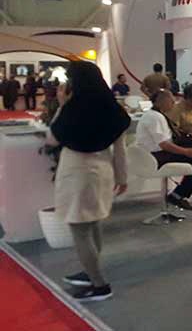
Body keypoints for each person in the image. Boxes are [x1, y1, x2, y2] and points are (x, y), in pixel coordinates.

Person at [46, 61, 130, 301]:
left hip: (77, 174)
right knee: (93, 224)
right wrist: (122, 176)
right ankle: (90, 271)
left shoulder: (72, 110)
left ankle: (99, 284)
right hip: (102, 171)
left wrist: (62, 106)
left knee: (80, 229)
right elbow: (120, 149)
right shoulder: (113, 109)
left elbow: (52, 139)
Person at [134, 89, 192, 210]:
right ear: (162, 101)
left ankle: (179, 194)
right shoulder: (155, 117)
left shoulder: (155, 115)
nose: (173, 103)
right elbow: (164, 144)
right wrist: (185, 151)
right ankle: (177, 195)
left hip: (153, 154)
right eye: (171, 100)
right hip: (155, 156)